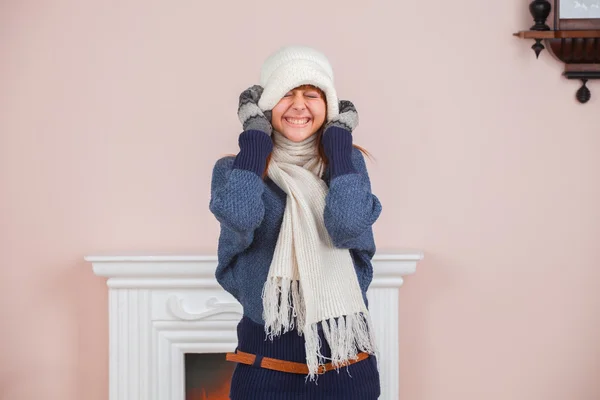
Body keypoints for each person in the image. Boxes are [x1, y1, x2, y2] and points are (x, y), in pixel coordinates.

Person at [209, 45, 383, 399]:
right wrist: (255, 143)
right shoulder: (234, 169)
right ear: (267, 105)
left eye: (312, 94)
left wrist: (338, 148)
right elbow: (241, 216)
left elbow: (347, 226)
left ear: (329, 106)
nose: (299, 104)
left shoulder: (346, 163)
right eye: (286, 93)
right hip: (265, 365)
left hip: (347, 359)